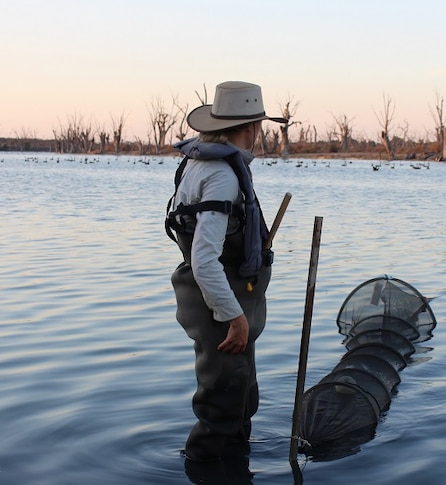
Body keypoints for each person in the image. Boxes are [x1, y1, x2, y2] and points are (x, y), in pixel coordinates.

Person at [167, 81, 288, 463]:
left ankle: (237, 468)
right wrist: (233, 316)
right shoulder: (222, 174)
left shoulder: (196, 162)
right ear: (252, 127)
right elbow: (205, 259)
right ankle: (208, 471)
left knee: (241, 398)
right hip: (220, 306)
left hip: (218, 299)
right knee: (222, 405)